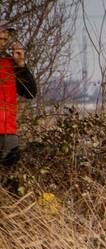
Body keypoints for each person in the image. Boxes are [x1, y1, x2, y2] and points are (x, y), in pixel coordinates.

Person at [0, 26, 38, 169]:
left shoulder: (11, 64)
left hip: (9, 134)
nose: (2, 43)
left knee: (10, 181)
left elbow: (30, 93)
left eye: (5, 39)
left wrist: (21, 65)